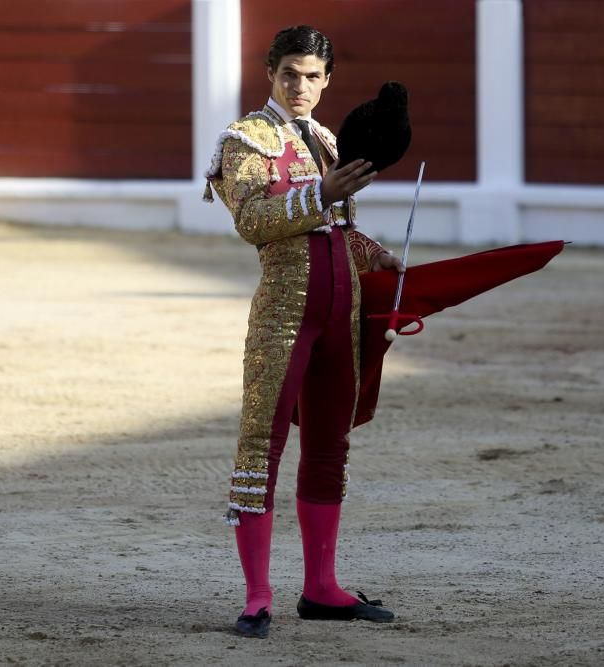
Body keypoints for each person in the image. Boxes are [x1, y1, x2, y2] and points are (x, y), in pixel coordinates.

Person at [204, 25, 404, 638]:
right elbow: (254, 221)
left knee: (328, 444)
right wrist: (322, 190)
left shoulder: (324, 138)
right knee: (260, 444)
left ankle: (321, 588)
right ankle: (258, 595)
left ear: (327, 81)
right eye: (290, 73)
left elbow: (337, 230)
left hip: (339, 312)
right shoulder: (245, 138)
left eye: (313, 76)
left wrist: (380, 256)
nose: (301, 86)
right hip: (284, 315)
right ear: (271, 73)